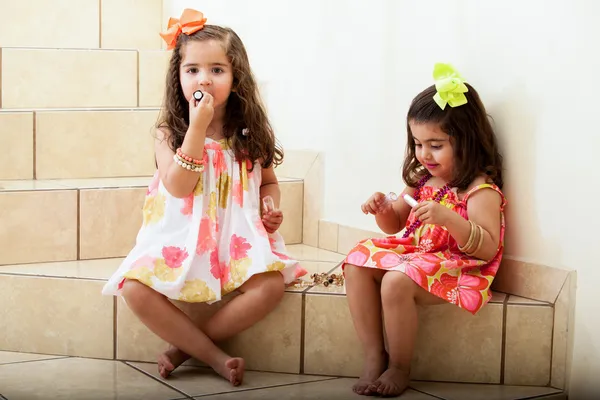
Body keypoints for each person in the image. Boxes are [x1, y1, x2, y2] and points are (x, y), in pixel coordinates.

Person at [101, 9, 305, 386]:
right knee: (134, 289)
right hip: (181, 238)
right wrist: (196, 128)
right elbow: (178, 186)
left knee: (271, 285)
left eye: (217, 70)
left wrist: (269, 205)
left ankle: (184, 348)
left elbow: (269, 182)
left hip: (236, 237)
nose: (204, 79)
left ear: (236, 76)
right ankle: (212, 355)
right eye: (192, 70)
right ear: (178, 76)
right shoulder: (169, 133)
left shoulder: (250, 131)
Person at [343, 63, 506, 397]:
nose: (423, 154)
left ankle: (400, 366)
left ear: (466, 140)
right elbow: (396, 224)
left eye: (435, 144)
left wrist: (448, 218)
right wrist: (383, 209)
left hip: (456, 266)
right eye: (417, 144)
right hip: (418, 255)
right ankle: (375, 354)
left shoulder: (479, 190)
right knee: (357, 260)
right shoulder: (421, 180)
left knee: (396, 280)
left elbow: (487, 248)